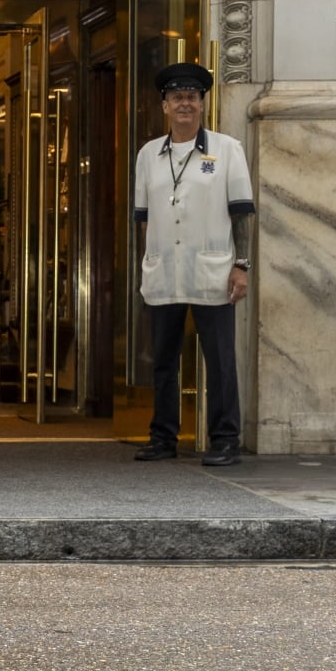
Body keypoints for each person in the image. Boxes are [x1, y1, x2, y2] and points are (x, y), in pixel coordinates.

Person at [131, 61, 255, 468]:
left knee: (219, 360)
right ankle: (163, 436)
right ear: (164, 105)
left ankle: (224, 439)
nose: (185, 103)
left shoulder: (226, 149)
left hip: (212, 271)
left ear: (202, 104)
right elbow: (143, 218)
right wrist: (145, 262)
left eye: (192, 97)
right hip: (165, 269)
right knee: (164, 360)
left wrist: (242, 264)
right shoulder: (149, 155)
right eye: (176, 97)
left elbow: (242, 213)